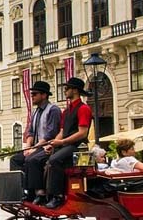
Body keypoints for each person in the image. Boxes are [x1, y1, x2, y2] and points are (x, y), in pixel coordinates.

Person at [42, 78, 93, 209]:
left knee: (54, 160)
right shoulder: (66, 111)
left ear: (75, 90)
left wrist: (62, 141)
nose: (64, 91)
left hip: (78, 147)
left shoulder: (83, 109)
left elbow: (82, 133)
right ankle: (44, 194)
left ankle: (58, 196)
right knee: (45, 160)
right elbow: (62, 131)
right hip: (66, 145)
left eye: (67, 88)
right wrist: (53, 143)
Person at [9, 81, 62, 205]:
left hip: (48, 147)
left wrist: (35, 148)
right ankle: (23, 190)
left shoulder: (53, 110)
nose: (31, 96)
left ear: (44, 95)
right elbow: (31, 132)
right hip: (36, 147)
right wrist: (27, 148)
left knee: (32, 160)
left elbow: (51, 133)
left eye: (34, 94)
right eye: (32, 94)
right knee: (15, 159)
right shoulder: (35, 112)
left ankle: (40, 193)